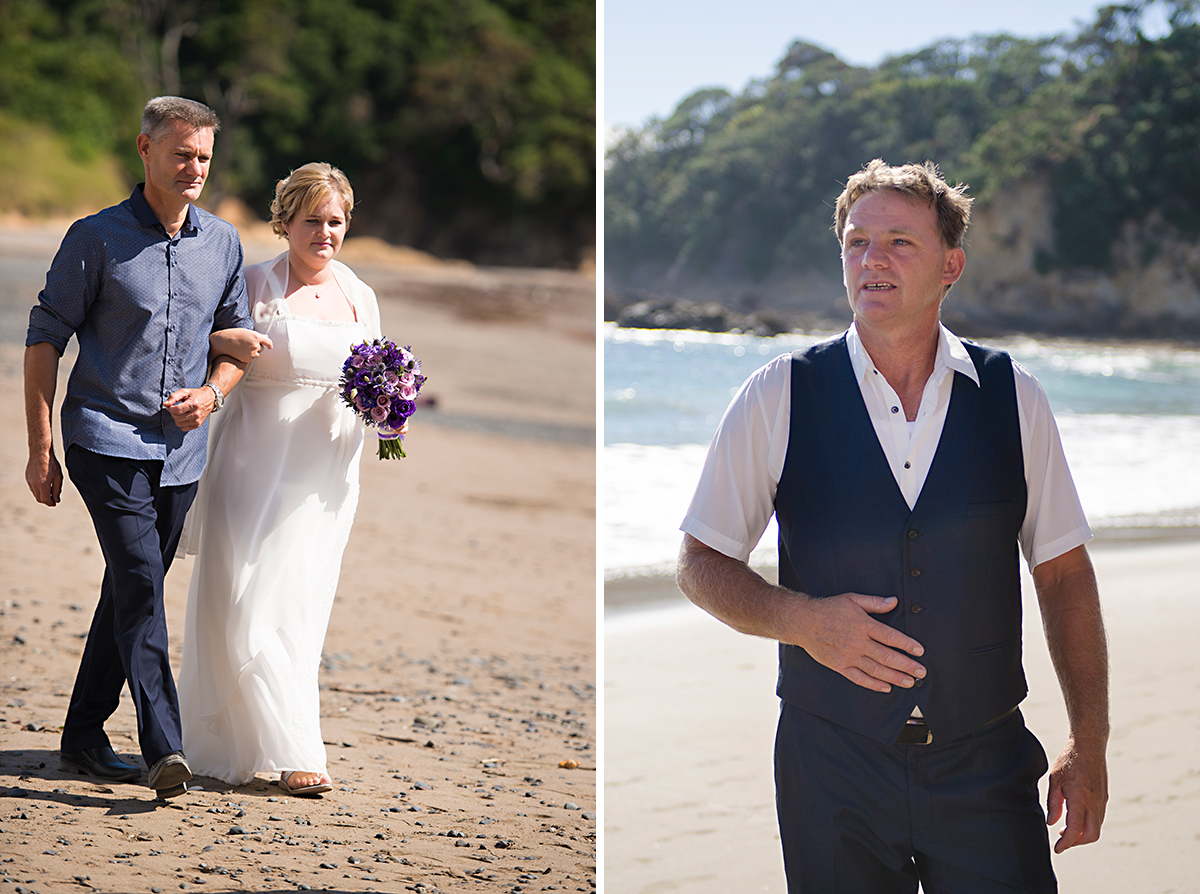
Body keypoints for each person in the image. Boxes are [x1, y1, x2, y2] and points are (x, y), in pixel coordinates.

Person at [676, 159, 1109, 892]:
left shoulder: (1015, 399)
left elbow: (1063, 574)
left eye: (900, 242)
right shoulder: (779, 393)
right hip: (830, 768)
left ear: (951, 265)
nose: (873, 260)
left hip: (987, 768)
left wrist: (1089, 741)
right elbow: (700, 562)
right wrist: (804, 620)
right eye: (856, 242)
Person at [24, 96, 251, 799]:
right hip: (102, 436)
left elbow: (234, 342)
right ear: (145, 149)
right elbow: (43, 342)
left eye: (205, 157)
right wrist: (40, 447)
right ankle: (164, 748)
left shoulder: (223, 243)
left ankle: (83, 735)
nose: (194, 168)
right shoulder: (95, 238)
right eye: (181, 153)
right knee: (141, 587)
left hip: (182, 452)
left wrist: (212, 395)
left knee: (131, 586)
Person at [177, 162, 394, 796]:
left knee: (300, 604)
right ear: (286, 222)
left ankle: (299, 748)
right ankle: (227, 741)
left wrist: (391, 413)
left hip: (325, 476)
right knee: (242, 601)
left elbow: (382, 374)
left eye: (336, 221)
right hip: (251, 462)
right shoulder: (253, 283)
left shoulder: (360, 295)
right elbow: (203, 343)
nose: (325, 233)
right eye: (313, 221)